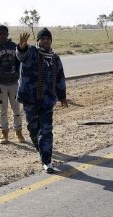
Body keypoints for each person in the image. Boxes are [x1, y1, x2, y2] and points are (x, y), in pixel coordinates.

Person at [16, 28, 68, 174]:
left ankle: (47, 161)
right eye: (42, 39)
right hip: (30, 100)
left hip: (47, 101)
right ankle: (42, 151)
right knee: (33, 130)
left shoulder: (55, 58)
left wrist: (62, 95)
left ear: (51, 41)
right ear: (38, 41)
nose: (45, 41)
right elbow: (21, 54)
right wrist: (21, 46)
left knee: (46, 131)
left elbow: (59, 77)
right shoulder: (31, 52)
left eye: (48, 39)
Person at [0, 25, 25, 144]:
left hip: (14, 83)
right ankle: (4, 134)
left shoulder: (14, 46)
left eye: (4, 33)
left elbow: (20, 61)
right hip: (0, 84)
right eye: (0, 33)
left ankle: (19, 132)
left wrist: (18, 74)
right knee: (2, 110)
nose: (2, 35)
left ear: (7, 34)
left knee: (16, 109)